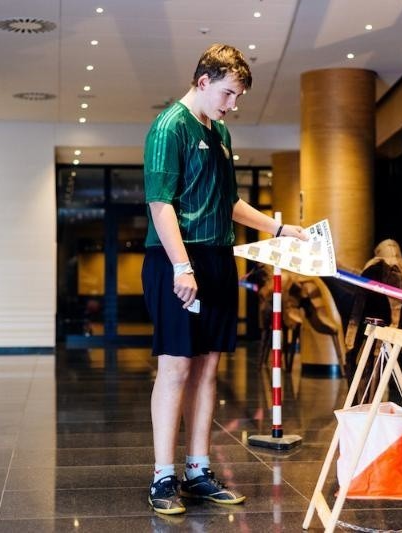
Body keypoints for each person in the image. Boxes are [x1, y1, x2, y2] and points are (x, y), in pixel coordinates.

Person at [141, 43, 307, 515]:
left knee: (208, 366)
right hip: (176, 258)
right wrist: (181, 266)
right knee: (176, 366)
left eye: (237, 96)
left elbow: (229, 202)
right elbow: (161, 204)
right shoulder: (169, 127)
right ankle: (163, 476)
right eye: (228, 94)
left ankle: (197, 469)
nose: (233, 104)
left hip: (216, 258)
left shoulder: (220, 134)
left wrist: (278, 228)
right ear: (203, 82)